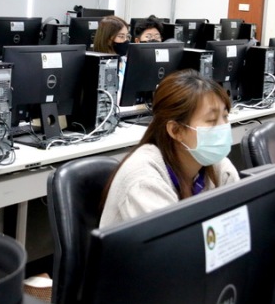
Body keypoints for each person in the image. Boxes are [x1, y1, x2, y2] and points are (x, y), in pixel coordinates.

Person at [100, 69, 239, 227]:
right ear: (176, 130)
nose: (223, 127)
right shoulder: (144, 182)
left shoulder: (218, 166)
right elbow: (176, 241)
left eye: (225, 116)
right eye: (211, 120)